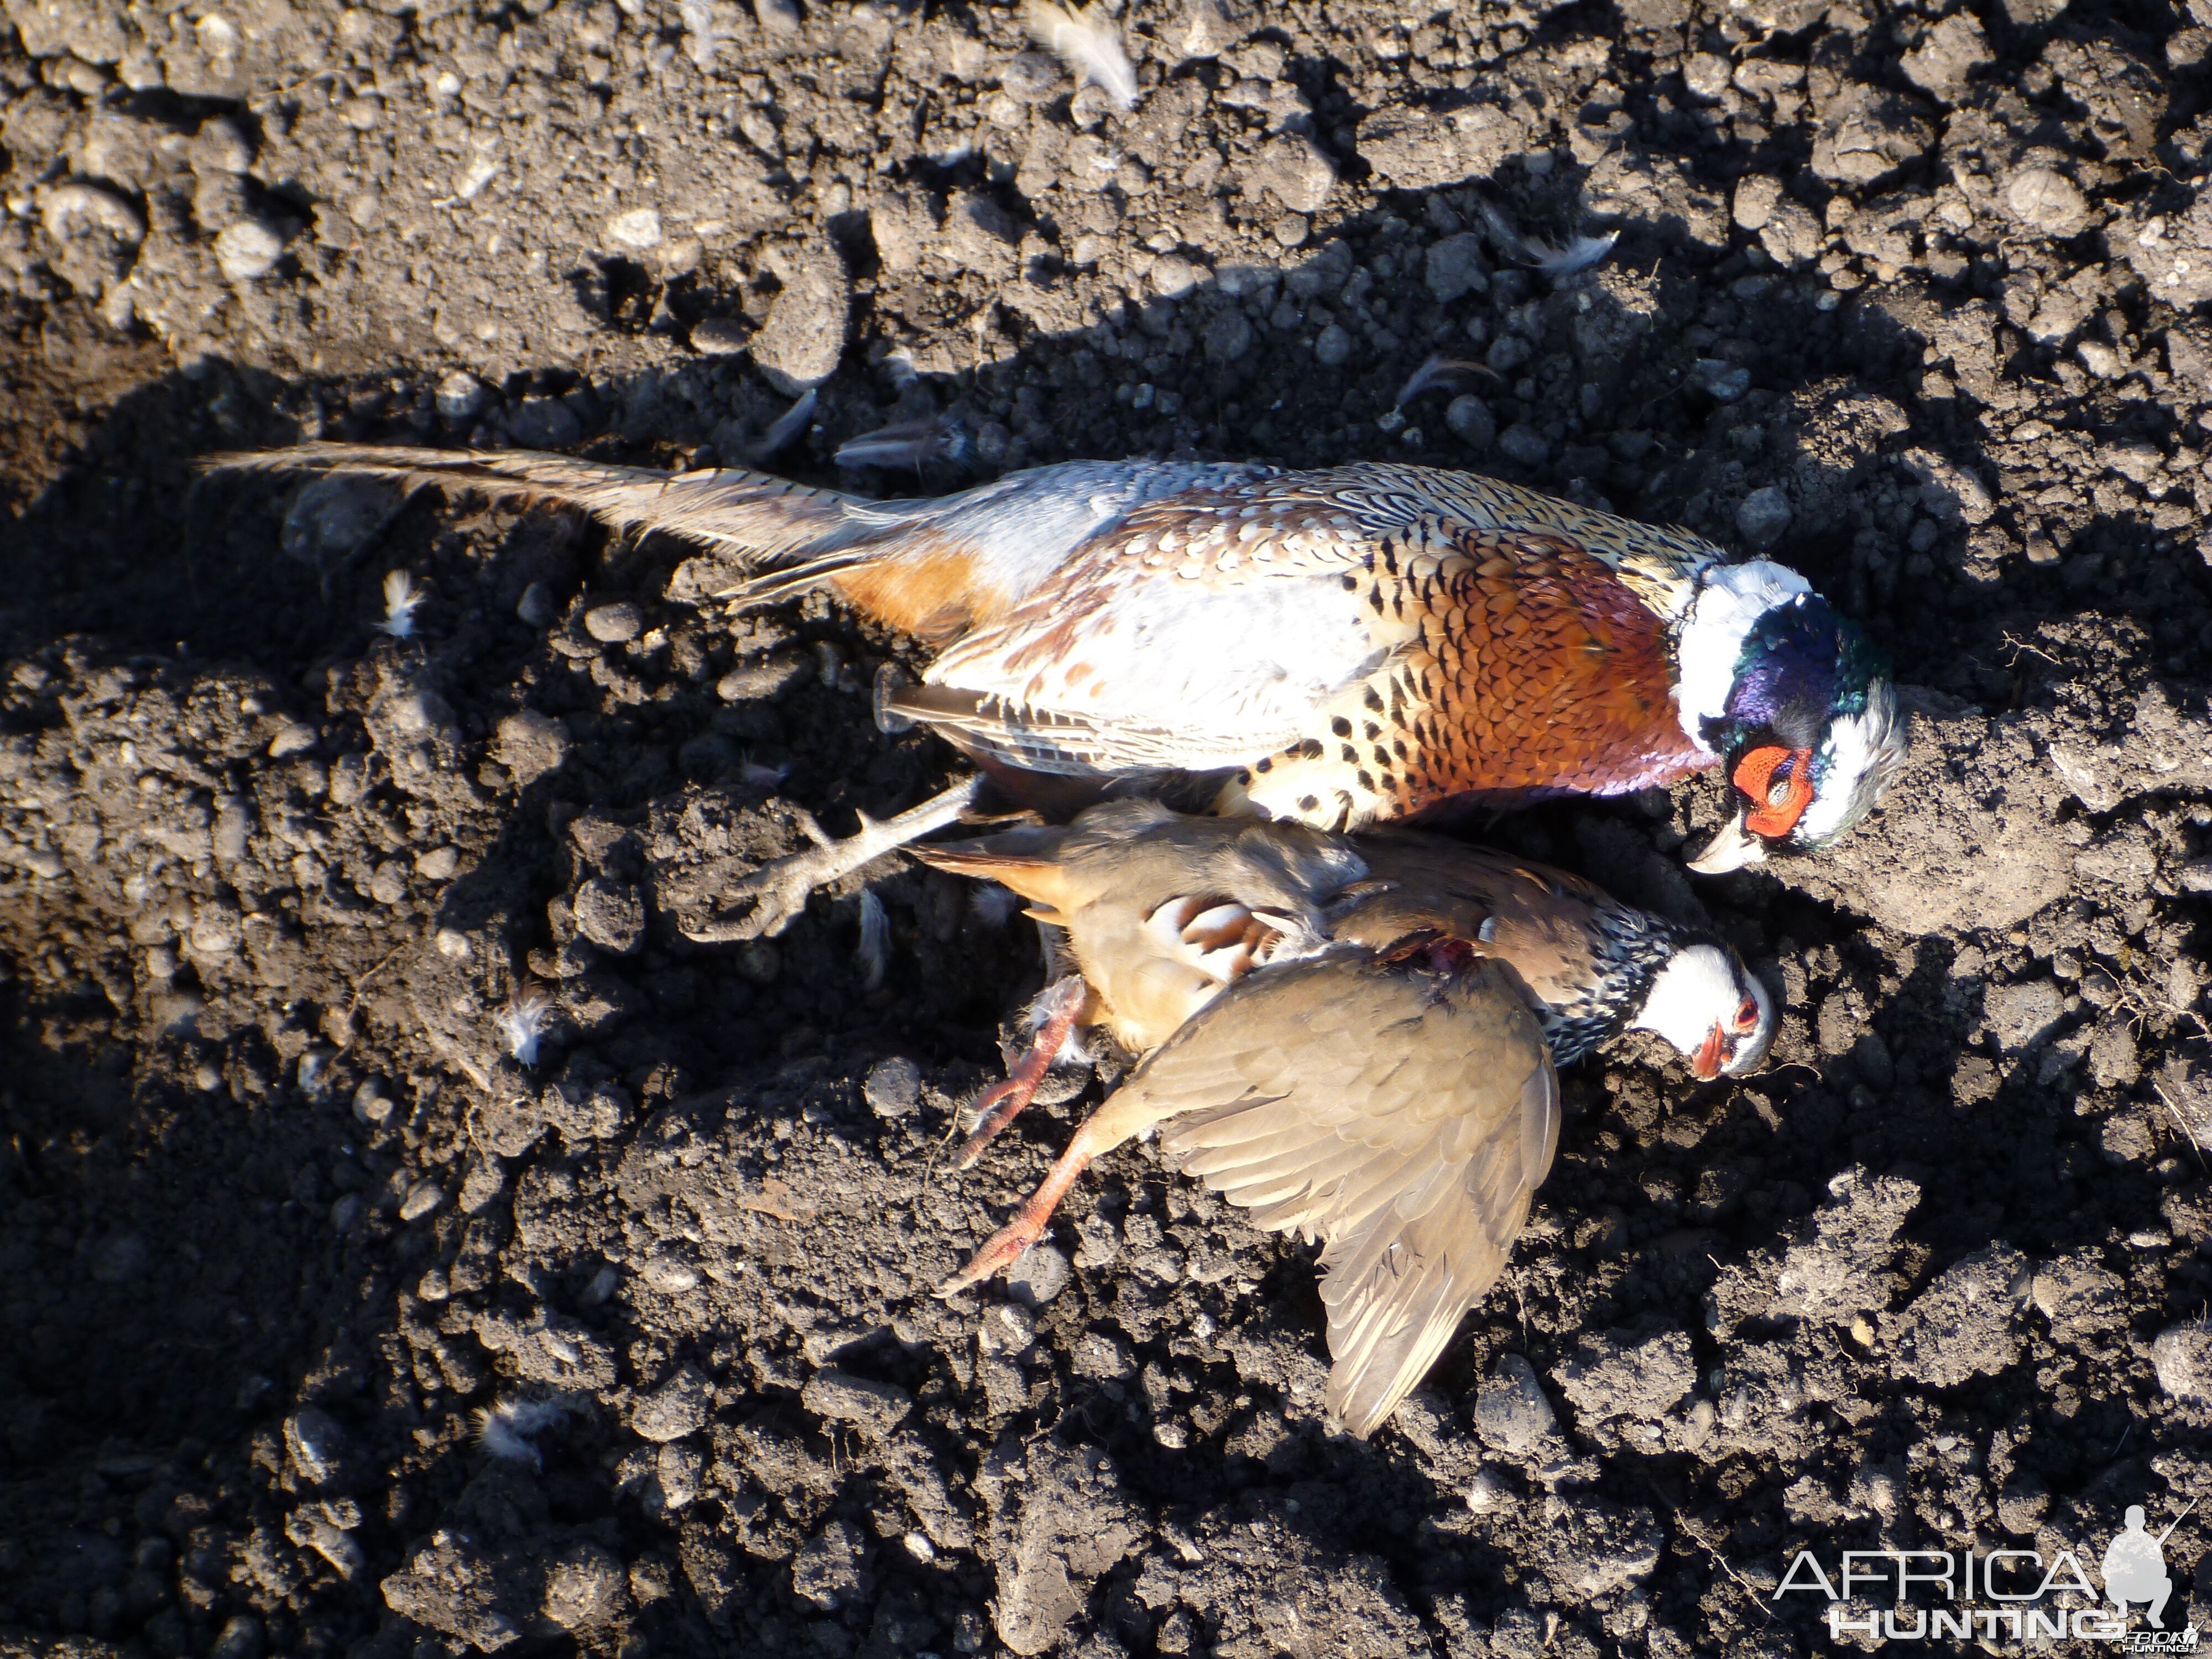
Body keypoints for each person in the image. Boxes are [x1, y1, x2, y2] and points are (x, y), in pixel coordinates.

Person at [2103, 1505, 2178, 1628]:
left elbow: (2162, 1571)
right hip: (2124, 1589)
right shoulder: (2119, 1542)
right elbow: (2106, 1571)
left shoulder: (2149, 1542)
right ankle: (2122, 1605)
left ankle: (2154, 1614)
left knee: (2166, 1583)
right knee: (2110, 1583)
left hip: (2143, 1589)